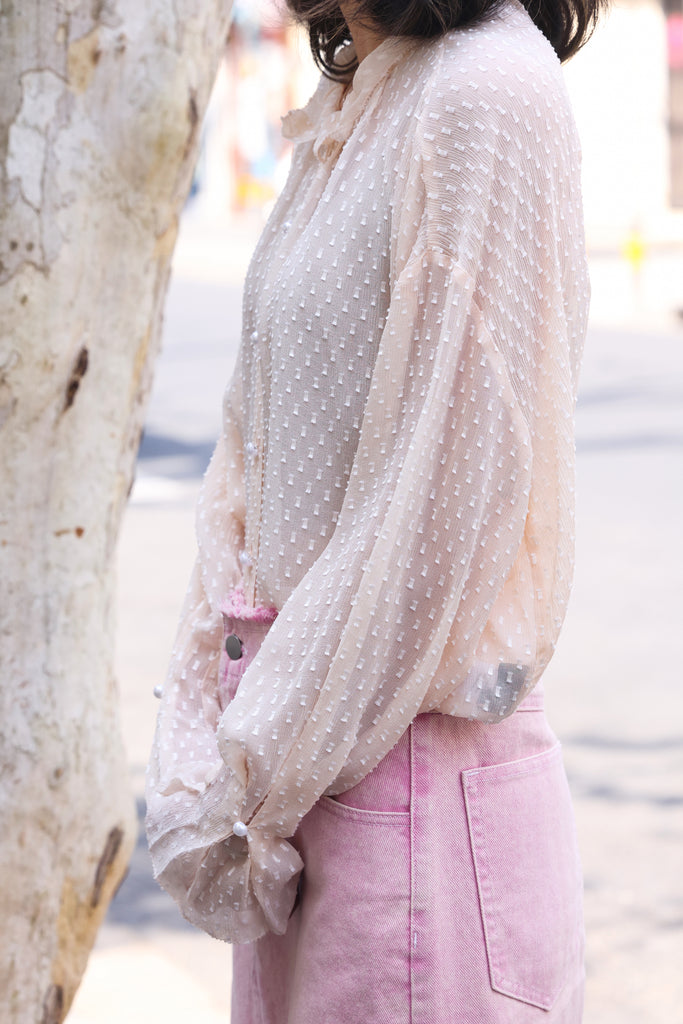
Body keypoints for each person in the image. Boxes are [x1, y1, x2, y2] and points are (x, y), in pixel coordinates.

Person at [145, 0, 602, 1019]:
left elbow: (442, 510)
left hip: (404, 809)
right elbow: (245, 466)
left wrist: (249, 777)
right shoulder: (364, 88)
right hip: (314, 779)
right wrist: (197, 755)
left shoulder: (482, 91)